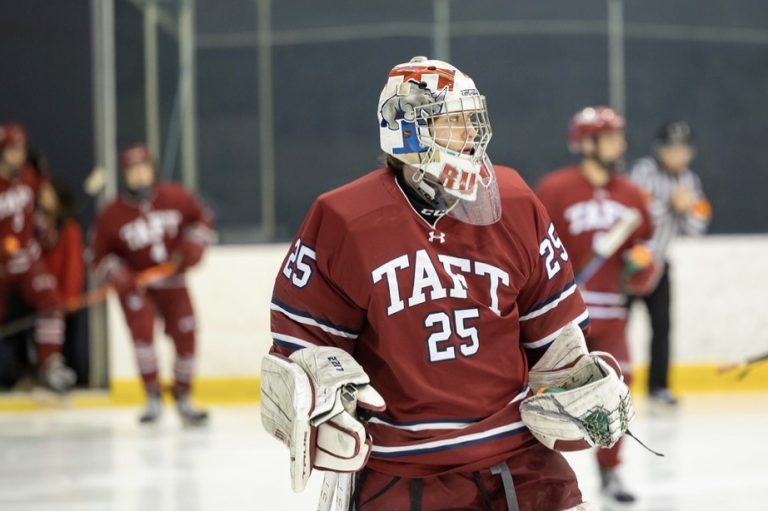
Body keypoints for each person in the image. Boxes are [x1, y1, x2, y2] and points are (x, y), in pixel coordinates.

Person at [260, 57, 635, 511]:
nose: (472, 135)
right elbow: (299, 347)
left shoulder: (515, 202)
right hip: (404, 471)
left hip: (520, 464)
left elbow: (554, 336)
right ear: (408, 129)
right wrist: (324, 398)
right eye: (454, 122)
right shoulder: (345, 220)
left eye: (473, 120)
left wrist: (578, 376)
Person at [535, 106, 657, 505]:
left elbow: (641, 248)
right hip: (565, 317)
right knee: (550, 394)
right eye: (610, 136)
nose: (619, 143)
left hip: (613, 313)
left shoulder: (631, 195)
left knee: (617, 391)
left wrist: (641, 264)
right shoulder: (554, 189)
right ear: (587, 143)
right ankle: (543, 475)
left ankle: (611, 470)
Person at [90, 143, 215, 425]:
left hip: (174, 281)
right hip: (138, 287)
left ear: (152, 169)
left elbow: (203, 221)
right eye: (132, 170)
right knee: (143, 335)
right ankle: (152, 396)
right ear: (125, 174)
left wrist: (194, 244)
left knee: (187, 334)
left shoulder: (176, 196)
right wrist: (116, 271)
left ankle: (183, 396)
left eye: (143, 168)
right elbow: (97, 255)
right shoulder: (112, 213)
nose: (138, 175)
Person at [627, 121, 711, 407]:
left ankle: (659, 387)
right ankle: (610, 385)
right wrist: (672, 206)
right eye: (672, 148)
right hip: (629, 263)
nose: (678, 155)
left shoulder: (690, 181)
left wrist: (684, 210)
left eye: (683, 149)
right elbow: (638, 213)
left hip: (659, 267)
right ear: (660, 150)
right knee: (616, 325)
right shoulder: (643, 172)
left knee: (662, 327)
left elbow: (697, 227)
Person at [0, 123, 76, 392]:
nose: (17, 155)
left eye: (20, 149)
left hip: (28, 258)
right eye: (11, 150)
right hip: (2, 265)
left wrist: (44, 225)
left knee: (52, 304)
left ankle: (51, 363)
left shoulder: (31, 175)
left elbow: (42, 204)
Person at [37, 181, 87, 384]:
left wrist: (70, 296)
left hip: (63, 297)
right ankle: (39, 374)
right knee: (38, 337)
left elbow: (74, 264)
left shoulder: (69, 227)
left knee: (66, 341)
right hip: (40, 295)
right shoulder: (37, 225)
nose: (42, 196)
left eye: (48, 193)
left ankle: (68, 379)